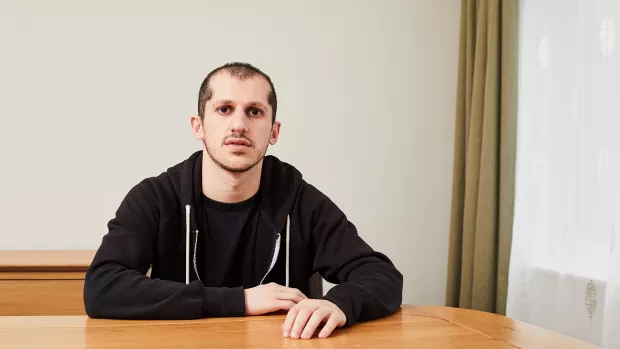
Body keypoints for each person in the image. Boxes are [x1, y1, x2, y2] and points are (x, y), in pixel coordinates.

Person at [83, 62, 403, 340]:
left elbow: (381, 276)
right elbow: (103, 288)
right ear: (199, 126)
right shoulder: (155, 198)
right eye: (224, 109)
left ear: (273, 132)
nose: (239, 124)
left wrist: (341, 303)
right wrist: (242, 301)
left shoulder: (301, 201)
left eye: (254, 111)